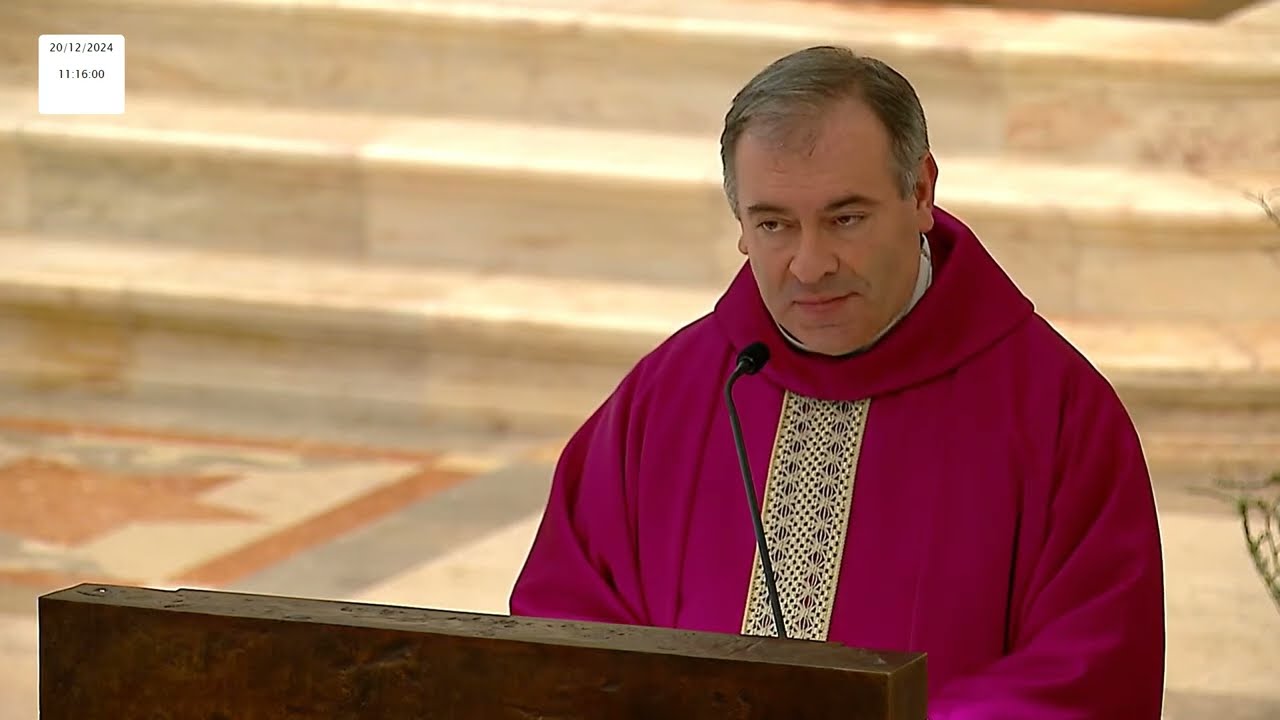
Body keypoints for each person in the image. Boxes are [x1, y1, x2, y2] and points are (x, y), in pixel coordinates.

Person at [509, 45, 1166, 718]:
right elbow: (568, 635)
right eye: (775, 224)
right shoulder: (668, 397)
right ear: (740, 225)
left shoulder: (1058, 412)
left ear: (920, 192)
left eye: (845, 218)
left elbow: (1086, 675)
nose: (810, 264)